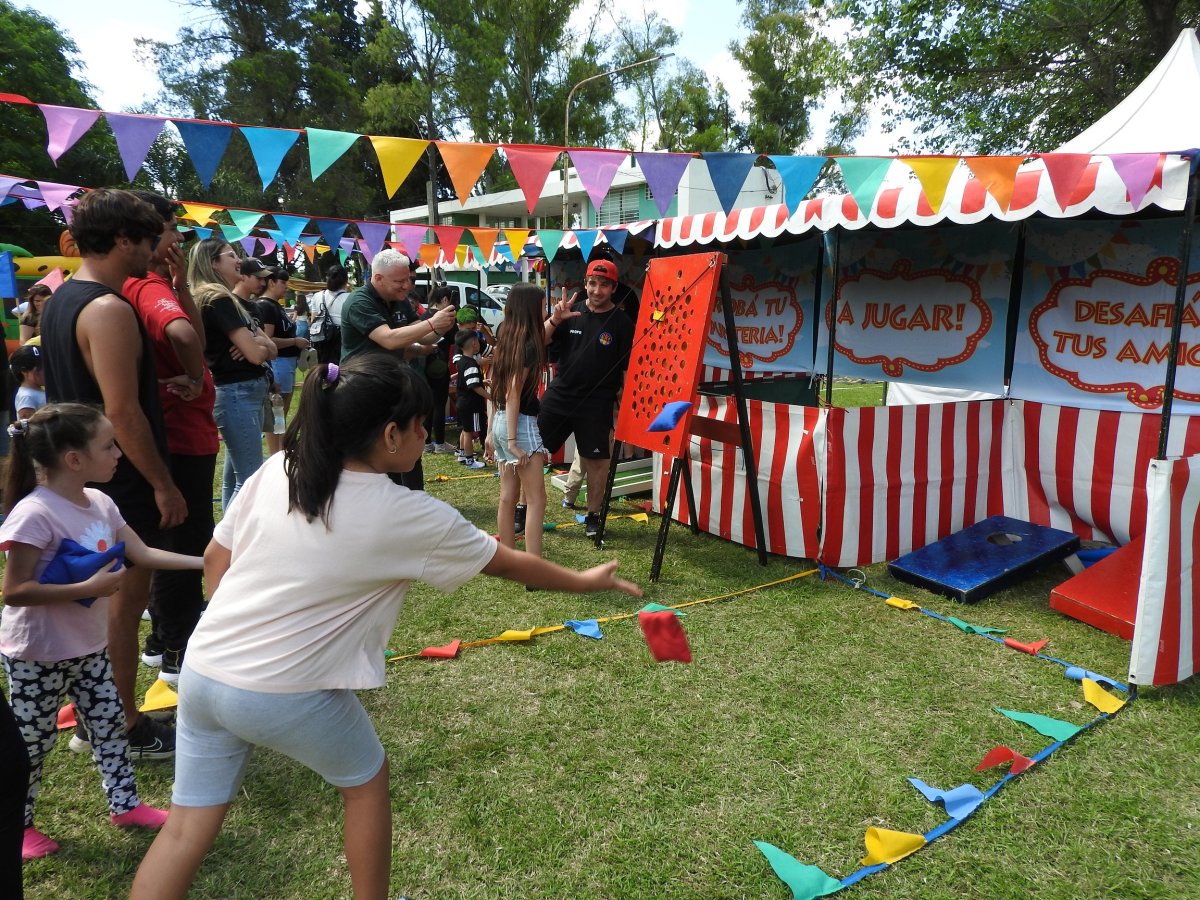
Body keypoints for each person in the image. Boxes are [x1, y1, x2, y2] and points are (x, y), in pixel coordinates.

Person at [129, 355, 640, 899]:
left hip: (204, 671)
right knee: (366, 785)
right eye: (420, 424)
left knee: (185, 829)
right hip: (284, 690)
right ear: (391, 434)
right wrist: (585, 581)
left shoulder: (281, 467)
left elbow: (215, 559)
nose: (425, 432)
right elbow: (511, 565)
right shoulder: (409, 513)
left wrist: (236, 635)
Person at [1, 404, 204, 860]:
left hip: (90, 647)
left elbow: (143, 554)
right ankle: (20, 825)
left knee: (110, 725)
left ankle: (125, 807)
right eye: (109, 446)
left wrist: (207, 562)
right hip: (37, 654)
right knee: (33, 743)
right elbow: (14, 591)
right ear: (74, 459)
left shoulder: (102, 503)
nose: (118, 454)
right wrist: (87, 589)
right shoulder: (34, 514)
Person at [40, 187, 185, 758]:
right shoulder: (108, 309)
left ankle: (92, 720)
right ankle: (123, 726)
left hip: (78, 475)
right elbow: (122, 411)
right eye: (149, 239)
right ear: (123, 239)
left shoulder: (61, 300)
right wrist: (163, 484)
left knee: (101, 607)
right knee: (122, 609)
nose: (155, 250)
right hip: (117, 479)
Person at [124, 191, 217, 688]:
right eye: (168, 229)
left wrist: (182, 288)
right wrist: (195, 378)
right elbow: (183, 338)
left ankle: (164, 639)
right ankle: (177, 647)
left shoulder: (162, 283)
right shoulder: (145, 285)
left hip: (187, 433)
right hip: (180, 435)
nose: (177, 237)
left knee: (178, 540)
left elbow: (195, 338)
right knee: (182, 544)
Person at [340, 249, 455, 491]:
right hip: (362, 389)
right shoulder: (359, 301)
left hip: (393, 385)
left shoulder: (399, 300)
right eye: (400, 281)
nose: (406, 286)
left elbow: (422, 335)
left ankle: (412, 498)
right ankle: (383, 500)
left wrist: (442, 327)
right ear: (378, 278)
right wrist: (432, 323)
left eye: (408, 279)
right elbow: (389, 339)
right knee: (374, 453)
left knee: (407, 447)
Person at [538, 259, 635, 538]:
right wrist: (556, 319)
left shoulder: (622, 323)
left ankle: (594, 516)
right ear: (585, 284)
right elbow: (538, 342)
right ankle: (523, 508)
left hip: (597, 403)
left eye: (604, 285)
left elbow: (627, 371)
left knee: (597, 463)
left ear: (613, 288)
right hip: (560, 395)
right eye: (592, 283)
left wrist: (625, 408)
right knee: (531, 450)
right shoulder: (570, 313)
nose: (597, 290)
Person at [189, 238, 276, 511]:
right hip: (238, 393)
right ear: (213, 263)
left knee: (234, 479)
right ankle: (236, 535)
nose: (239, 260)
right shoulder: (219, 300)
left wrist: (257, 343)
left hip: (237, 393)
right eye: (230, 255)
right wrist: (257, 345)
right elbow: (257, 355)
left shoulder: (221, 299)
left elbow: (270, 348)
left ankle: (228, 534)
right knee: (249, 479)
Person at [488, 284, 548, 560]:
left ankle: (508, 559)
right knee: (536, 499)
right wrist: (512, 441)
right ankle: (533, 566)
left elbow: (496, 388)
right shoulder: (529, 345)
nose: (545, 311)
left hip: (502, 421)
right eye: (543, 306)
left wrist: (492, 433)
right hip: (519, 425)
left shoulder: (506, 338)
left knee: (508, 496)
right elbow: (513, 391)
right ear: (531, 309)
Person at [257, 268, 310, 455]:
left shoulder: (275, 305)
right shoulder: (266, 306)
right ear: (271, 282)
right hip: (278, 362)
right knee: (276, 411)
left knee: (282, 411)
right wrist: (294, 341)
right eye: (283, 282)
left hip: (286, 362)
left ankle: (280, 450)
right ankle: (276, 453)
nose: (286, 287)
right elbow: (268, 339)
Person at [420, 286, 456, 453]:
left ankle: (427, 443)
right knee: (439, 404)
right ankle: (440, 443)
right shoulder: (445, 318)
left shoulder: (423, 316)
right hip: (439, 367)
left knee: (427, 404)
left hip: (422, 365)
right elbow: (454, 338)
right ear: (445, 300)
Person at [453, 330, 489, 469]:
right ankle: (470, 460)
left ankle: (462, 454)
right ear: (474, 343)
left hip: (462, 402)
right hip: (471, 404)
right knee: (469, 433)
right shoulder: (472, 364)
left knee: (465, 429)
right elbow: (475, 387)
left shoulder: (462, 361)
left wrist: (482, 381)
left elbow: (468, 380)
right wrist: (491, 397)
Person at [310, 265, 349, 365]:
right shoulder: (350, 298)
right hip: (341, 341)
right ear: (346, 281)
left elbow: (313, 320)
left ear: (327, 278)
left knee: (323, 369)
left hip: (321, 341)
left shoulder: (317, 296)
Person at [10, 345, 46, 420]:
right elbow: (28, 425)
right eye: (39, 369)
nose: (45, 371)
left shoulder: (37, 390)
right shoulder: (26, 397)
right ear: (24, 371)